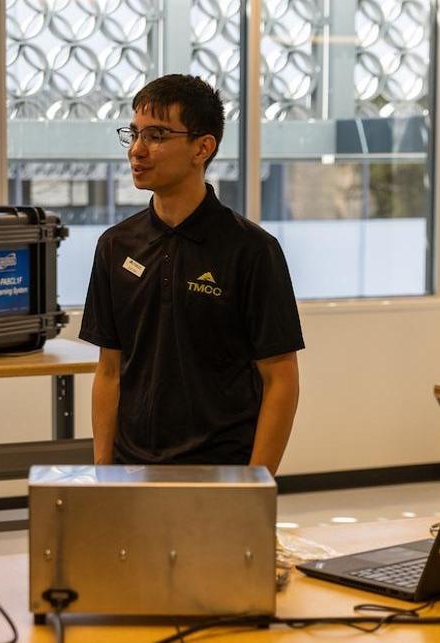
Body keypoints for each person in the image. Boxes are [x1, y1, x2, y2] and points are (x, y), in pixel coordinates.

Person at [79, 74, 304, 475]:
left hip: (223, 470)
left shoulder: (252, 250)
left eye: (156, 135)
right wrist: (103, 471)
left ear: (203, 147)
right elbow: (109, 371)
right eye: (133, 134)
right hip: (133, 469)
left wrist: (255, 483)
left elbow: (281, 380)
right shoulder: (115, 246)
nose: (137, 150)